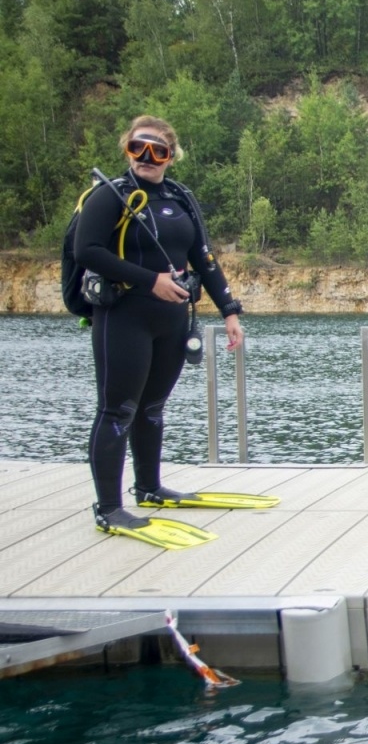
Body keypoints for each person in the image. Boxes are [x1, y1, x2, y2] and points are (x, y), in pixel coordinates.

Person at [75, 115, 245, 542]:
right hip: (125, 316)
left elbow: (202, 256)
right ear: (127, 151)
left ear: (172, 156)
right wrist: (149, 280)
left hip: (171, 320)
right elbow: (87, 250)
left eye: (158, 151)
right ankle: (109, 508)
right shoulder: (110, 196)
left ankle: (149, 488)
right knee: (117, 411)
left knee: (152, 409)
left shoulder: (179, 197)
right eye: (138, 149)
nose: (148, 159)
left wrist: (229, 310)